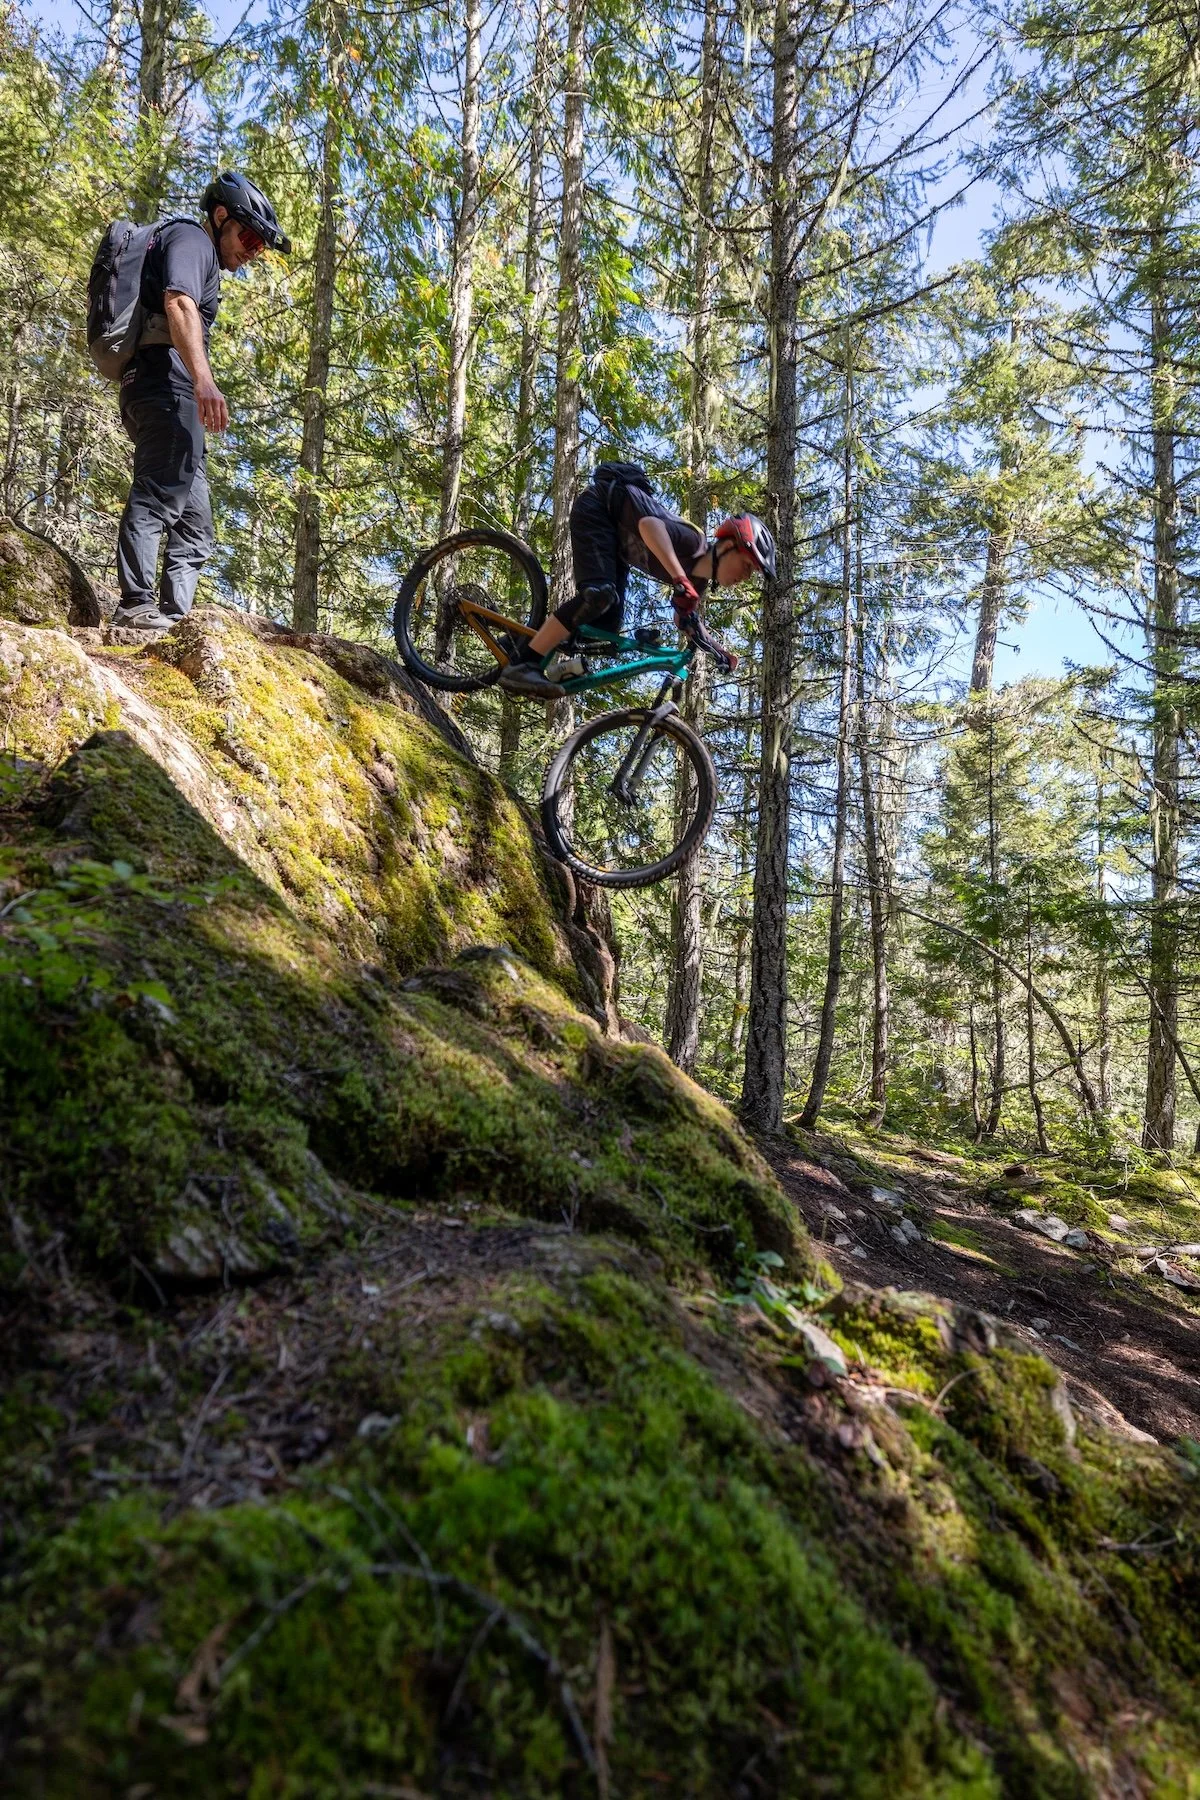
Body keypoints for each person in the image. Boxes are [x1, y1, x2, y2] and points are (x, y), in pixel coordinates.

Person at [111, 172, 291, 630]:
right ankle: (135, 606)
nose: (252, 251)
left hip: (151, 387)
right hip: (166, 386)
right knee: (156, 495)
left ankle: (172, 620)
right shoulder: (193, 240)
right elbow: (179, 303)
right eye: (248, 237)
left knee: (195, 527)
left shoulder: (193, 244)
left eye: (260, 247)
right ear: (220, 217)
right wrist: (203, 380)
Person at [500, 462, 777, 697]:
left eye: (751, 572)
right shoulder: (693, 542)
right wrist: (679, 578)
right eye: (746, 565)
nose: (745, 576)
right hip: (598, 508)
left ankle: (519, 642)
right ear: (727, 547)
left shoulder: (699, 581)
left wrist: (719, 651)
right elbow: (649, 525)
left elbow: (686, 620)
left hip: (617, 544)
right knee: (598, 595)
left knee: (604, 629)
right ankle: (524, 665)